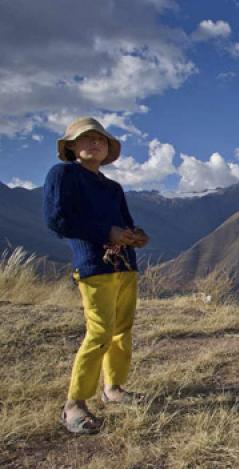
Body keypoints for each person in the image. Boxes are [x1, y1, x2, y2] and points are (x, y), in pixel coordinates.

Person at [43, 117, 150, 434]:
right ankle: (75, 404)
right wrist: (107, 232)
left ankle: (114, 388)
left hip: (124, 266)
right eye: (86, 139)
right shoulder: (63, 175)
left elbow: (124, 223)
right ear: (72, 146)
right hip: (93, 265)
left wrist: (135, 236)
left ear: (107, 149)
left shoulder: (112, 187)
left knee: (122, 330)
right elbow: (58, 221)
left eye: (100, 140)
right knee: (100, 332)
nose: (94, 144)